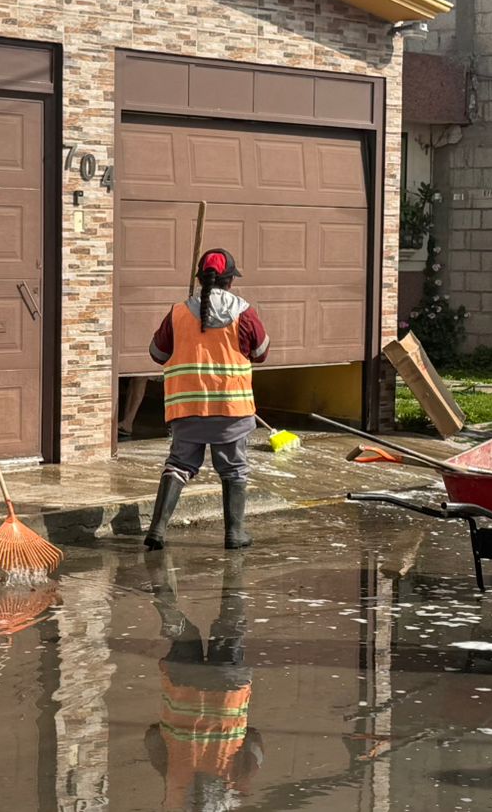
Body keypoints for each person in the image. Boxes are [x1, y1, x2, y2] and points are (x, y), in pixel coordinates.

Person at [143, 249, 270, 551]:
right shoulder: (244, 312)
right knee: (233, 469)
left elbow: (157, 353)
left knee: (178, 465)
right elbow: (261, 353)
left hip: (187, 408)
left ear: (200, 279)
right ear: (229, 281)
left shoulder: (178, 312)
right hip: (230, 409)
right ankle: (234, 534)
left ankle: (158, 531)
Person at [143, 550, 262, 810]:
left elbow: (254, 744)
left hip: (229, 685)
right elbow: (152, 739)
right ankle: (165, 599)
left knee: (230, 627)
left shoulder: (236, 785)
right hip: (183, 682)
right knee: (187, 636)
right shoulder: (172, 785)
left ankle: (236, 565)